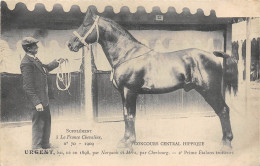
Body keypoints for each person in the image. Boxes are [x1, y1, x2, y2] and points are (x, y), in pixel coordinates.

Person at [20, 37, 65, 149]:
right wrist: (37, 103)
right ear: (29, 48)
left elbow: (46, 68)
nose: (37, 47)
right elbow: (28, 86)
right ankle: (36, 146)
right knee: (38, 122)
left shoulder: (34, 59)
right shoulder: (26, 63)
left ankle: (45, 143)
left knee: (46, 120)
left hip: (44, 98)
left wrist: (57, 62)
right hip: (37, 100)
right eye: (35, 46)